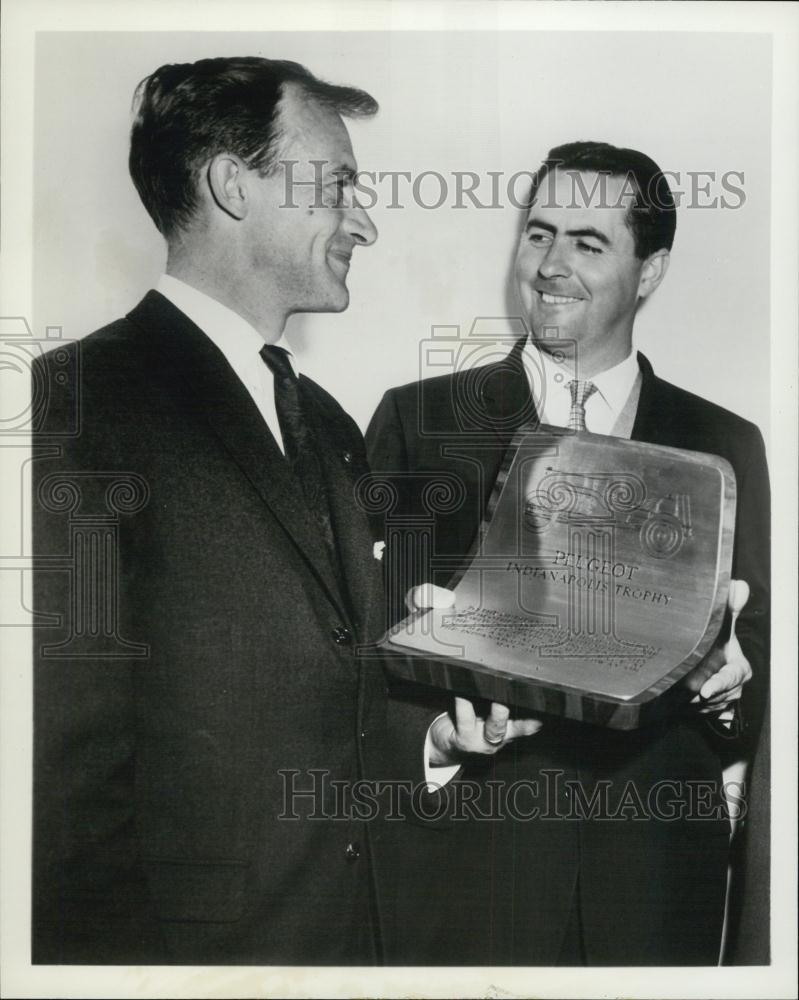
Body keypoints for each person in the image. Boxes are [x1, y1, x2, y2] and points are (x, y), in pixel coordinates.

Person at [31, 54, 506, 967]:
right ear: (229, 185)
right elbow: (61, 781)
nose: (363, 220)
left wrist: (435, 740)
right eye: (337, 187)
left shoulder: (323, 420)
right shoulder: (72, 404)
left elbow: (336, 690)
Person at [366, 141, 770, 965]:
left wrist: (729, 687)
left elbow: (755, 670)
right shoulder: (417, 424)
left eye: (587, 242)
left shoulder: (723, 444)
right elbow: (355, 658)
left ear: (649, 271)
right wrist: (440, 730)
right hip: (468, 886)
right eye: (538, 233)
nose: (551, 265)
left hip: (657, 895)